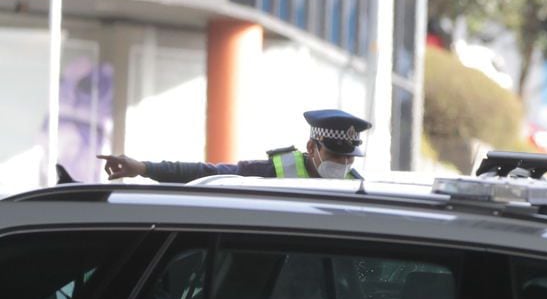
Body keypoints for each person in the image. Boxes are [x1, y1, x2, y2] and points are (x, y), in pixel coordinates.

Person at [101, 110, 371, 182]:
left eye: (350, 157)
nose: (344, 164)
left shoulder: (357, 187)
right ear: (312, 147)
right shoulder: (271, 173)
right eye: (335, 154)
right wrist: (145, 168)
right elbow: (207, 175)